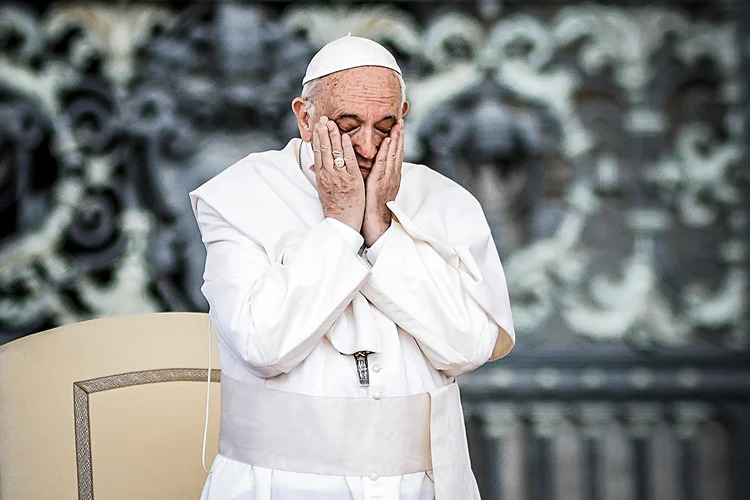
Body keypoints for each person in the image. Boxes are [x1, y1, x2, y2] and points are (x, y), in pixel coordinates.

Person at [189, 34, 515, 500]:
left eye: (385, 126)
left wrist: (381, 229)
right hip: (278, 486)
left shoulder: (446, 201)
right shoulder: (238, 197)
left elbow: (469, 346)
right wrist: (341, 226)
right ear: (305, 117)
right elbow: (263, 344)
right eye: (348, 124)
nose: (367, 145)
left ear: (403, 118)